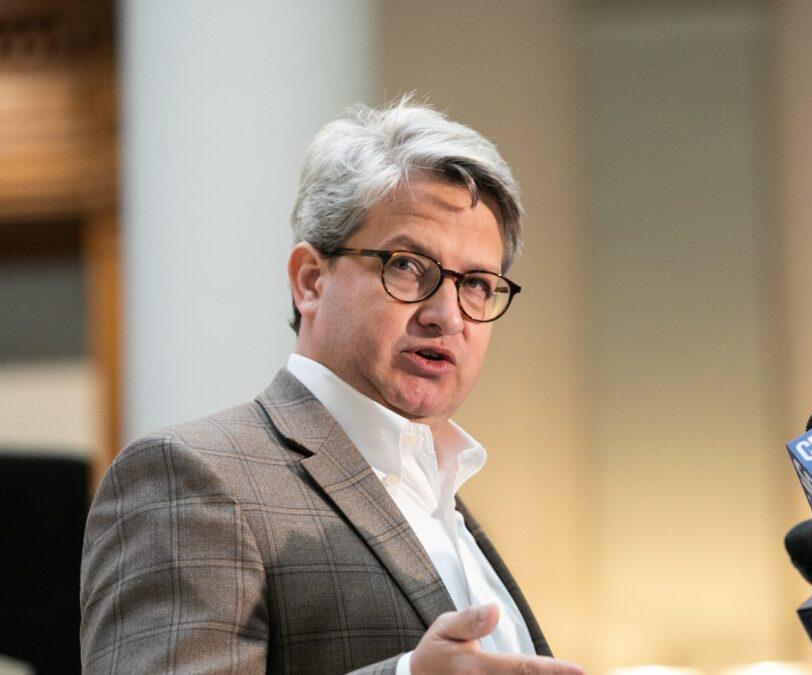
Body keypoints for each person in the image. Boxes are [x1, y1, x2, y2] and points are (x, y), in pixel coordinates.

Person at [80, 98, 583, 675]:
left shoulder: (444, 496)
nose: (448, 314)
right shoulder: (190, 476)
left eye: (475, 282)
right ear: (311, 281)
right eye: (407, 266)